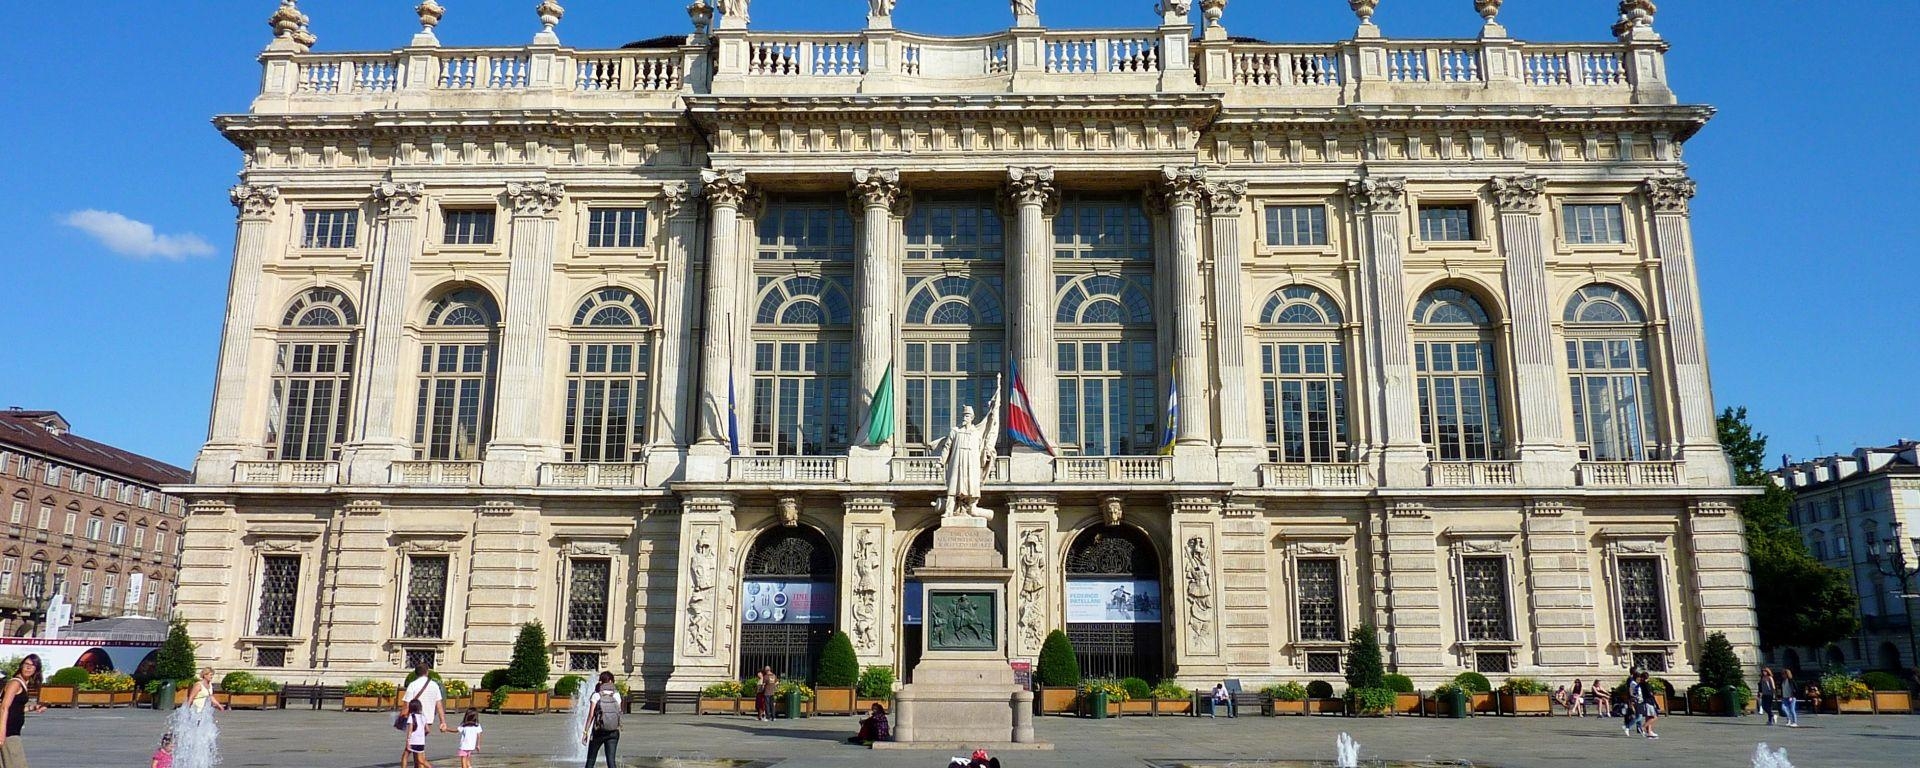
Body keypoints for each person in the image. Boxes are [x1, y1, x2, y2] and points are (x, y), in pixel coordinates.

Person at [171, 667, 228, 768]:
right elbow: (191, 697)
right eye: (210, 674)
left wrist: (219, 705)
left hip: (203, 712)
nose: (212, 676)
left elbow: (210, 697)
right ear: (205, 675)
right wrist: (186, 711)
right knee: (195, 728)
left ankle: (199, 746)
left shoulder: (209, 685)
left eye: (212, 675)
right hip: (195, 711)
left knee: (203, 729)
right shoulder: (198, 685)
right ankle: (191, 746)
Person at [0, 654, 49, 768]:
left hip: (12, 731)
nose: (28, 668)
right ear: (21, 665)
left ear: (36, 669)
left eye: (32, 665)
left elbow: (16, 709)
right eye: (26, 664)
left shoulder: (21, 683)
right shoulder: (15, 683)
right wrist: (2, 733)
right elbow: (4, 707)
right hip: (8, 733)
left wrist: (33, 708)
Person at [582, 673, 621, 768]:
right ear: (611, 681)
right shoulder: (616, 695)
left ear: (601, 681)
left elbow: (591, 715)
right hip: (613, 731)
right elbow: (618, 712)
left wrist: (585, 732)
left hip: (598, 731)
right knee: (611, 761)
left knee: (591, 760)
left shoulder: (596, 695)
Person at [403, 699, 433, 768]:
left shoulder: (411, 717)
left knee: (405, 756)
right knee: (421, 760)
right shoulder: (423, 717)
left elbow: (410, 731)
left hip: (413, 741)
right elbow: (428, 730)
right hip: (421, 742)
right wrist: (422, 735)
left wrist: (408, 741)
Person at [1635, 671, 1660, 740]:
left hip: (1644, 702)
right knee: (1654, 717)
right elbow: (1650, 694)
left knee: (1648, 717)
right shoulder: (1646, 684)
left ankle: (1649, 732)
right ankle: (1642, 727)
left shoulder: (1640, 684)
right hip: (1649, 702)